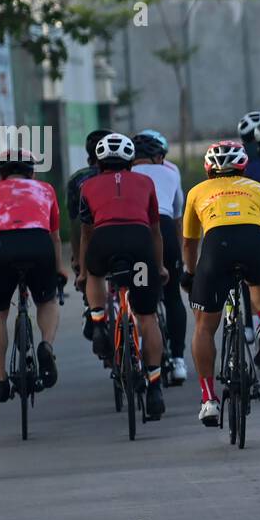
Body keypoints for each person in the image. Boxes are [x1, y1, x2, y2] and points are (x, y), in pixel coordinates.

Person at [181, 140, 260, 427]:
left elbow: (189, 241)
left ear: (208, 168)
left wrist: (190, 273)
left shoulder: (197, 191)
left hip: (217, 246)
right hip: (254, 241)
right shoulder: (258, 189)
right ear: (243, 165)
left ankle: (209, 399)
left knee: (204, 327)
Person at [76, 133, 167, 419]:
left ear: (98, 161)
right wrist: (160, 266)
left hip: (104, 241)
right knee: (146, 315)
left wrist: (82, 271)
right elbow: (155, 231)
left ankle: (99, 320)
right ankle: (154, 388)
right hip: (139, 244)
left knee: (95, 273)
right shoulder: (146, 182)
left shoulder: (87, 185)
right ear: (129, 160)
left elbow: (86, 234)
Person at [0, 148, 66, 403]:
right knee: (46, 301)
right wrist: (58, 269)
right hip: (39, 245)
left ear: (1, 172)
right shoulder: (46, 190)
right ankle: (46, 345)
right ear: (31, 171)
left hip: (2, 248)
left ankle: (1, 380)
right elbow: (55, 236)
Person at [132, 130, 188, 385]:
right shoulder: (171, 170)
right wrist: (179, 251)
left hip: (136, 231)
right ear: (158, 157)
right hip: (164, 228)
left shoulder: (125, 174)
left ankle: (141, 349)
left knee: (141, 299)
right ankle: (178, 360)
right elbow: (178, 215)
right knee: (173, 294)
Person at [66, 128, 112, 341]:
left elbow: (76, 224)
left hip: (92, 241)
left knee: (92, 276)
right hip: (130, 238)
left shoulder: (78, 179)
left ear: (88, 156)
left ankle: (94, 313)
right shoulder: (128, 177)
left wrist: (77, 259)